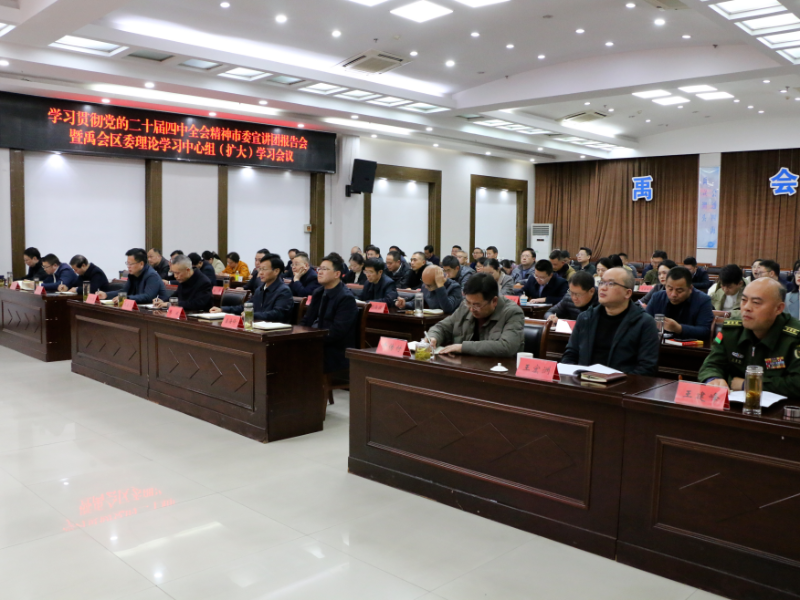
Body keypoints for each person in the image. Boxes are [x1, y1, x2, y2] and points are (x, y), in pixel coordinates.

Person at [699, 278, 800, 397]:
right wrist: (713, 378)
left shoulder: (794, 336)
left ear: (778, 308)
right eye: (744, 300)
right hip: (734, 403)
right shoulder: (731, 330)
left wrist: (748, 384)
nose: (746, 307)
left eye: (756, 302)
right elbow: (711, 364)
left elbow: (797, 383)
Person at [561, 267, 660, 375]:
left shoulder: (644, 323)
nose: (603, 288)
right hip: (584, 382)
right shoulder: (586, 317)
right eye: (602, 282)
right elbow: (570, 355)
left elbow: (647, 368)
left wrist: (616, 381)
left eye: (611, 284)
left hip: (623, 384)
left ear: (627, 293)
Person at [427, 272, 524, 357]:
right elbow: (442, 327)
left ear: (494, 301)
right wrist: (433, 337)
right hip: (464, 366)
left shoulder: (512, 312)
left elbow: (507, 347)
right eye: (468, 302)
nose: (471, 309)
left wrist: (463, 347)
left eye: (477, 305)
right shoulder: (465, 307)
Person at [301, 254, 359, 373]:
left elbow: (337, 332)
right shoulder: (318, 292)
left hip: (333, 350)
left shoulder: (345, 298)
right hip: (315, 341)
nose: (320, 272)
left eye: (325, 269)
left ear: (337, 274)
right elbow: (307, 320)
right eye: (319, 269)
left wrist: (311, 340)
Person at [211, 254, 293, 323]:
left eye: (264, 269)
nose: (260, 272)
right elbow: (246, 306)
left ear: (276, 271)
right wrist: (222, 309)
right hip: (257, 327)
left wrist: (251, 315)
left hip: (275, 332)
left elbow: (277, 314)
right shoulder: (260, 289)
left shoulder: (283, 291)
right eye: (260, 269)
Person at [645, 266, 714, 339]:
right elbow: (644, 323)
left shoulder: (703, 300)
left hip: (689, 345)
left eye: (679, 291)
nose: (673, 294)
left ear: (690, 288)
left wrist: (679, 328)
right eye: (670, 289)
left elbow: (705, 331)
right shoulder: (657, 297)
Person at [98, 248, 170, 305]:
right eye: (127, 263)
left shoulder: (152, 276)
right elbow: (124, 292)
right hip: (139, 307)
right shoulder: (133, 274)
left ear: (141, 264)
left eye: (131, 264)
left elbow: (148, 297)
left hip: (157, 310)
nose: (128, 267)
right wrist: (106, 295)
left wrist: (127, 298)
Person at [396, 266, 463, 314]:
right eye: (424, 283)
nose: (425, 287)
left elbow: (447, 309)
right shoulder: (425, 285)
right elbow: (419, 302)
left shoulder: (454, 287)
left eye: (429, 285)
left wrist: (440, 287)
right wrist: (405, 304)